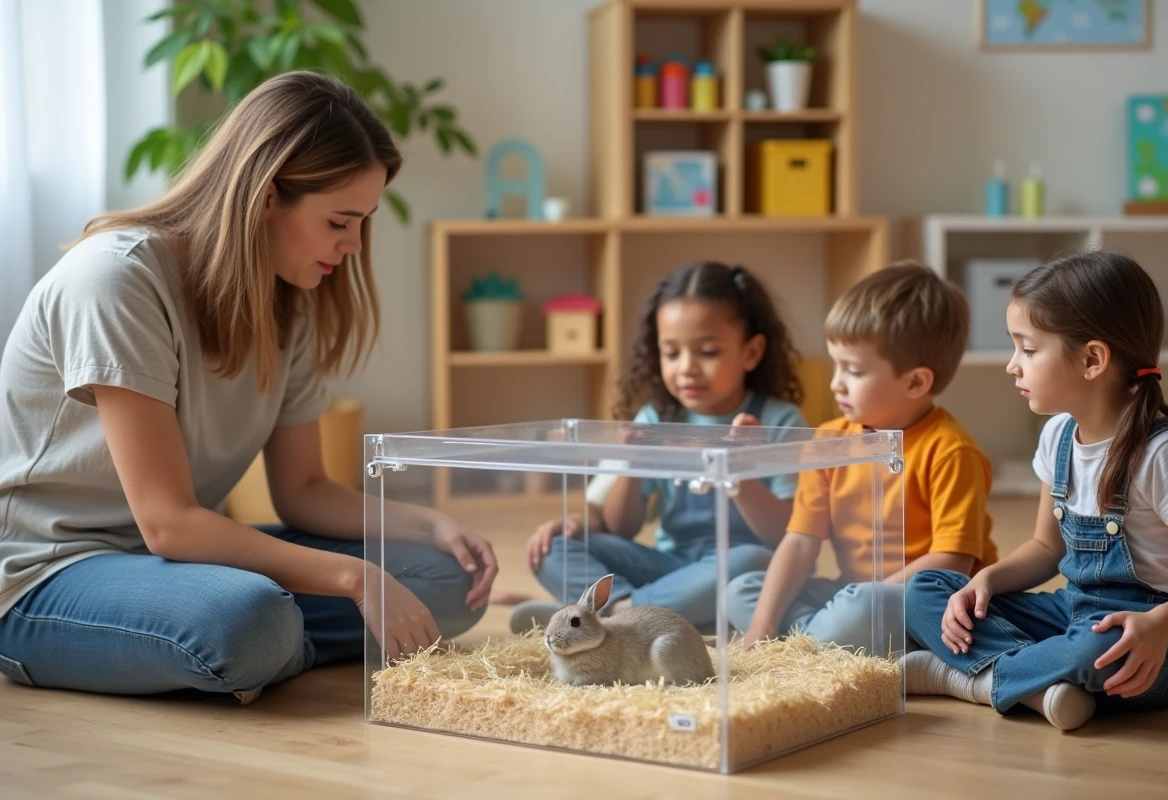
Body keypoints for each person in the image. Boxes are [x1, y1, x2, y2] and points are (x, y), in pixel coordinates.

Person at [0, 71, 496, 701]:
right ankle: (253, 646)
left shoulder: (288, 300)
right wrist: (356, 579)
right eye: (341, 220)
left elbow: (304, 490)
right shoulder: (115, 281)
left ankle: (251, 656)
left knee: (450, 577)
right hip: (48, 575)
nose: (352, 246)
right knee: (249, 620)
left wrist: (430, 524)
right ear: (265, 195)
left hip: (180, 567)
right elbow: (170, 524)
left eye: (363, 222)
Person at [903, 251, 1168, 730]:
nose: (1012, 366)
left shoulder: (1164, 454)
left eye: (1028, 348)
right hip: (1072, 611)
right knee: (924, 590)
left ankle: (971, 678)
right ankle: (1041, 686)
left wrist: (1158, 627)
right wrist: (986, 582)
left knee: (1093, 649)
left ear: (1092, 359)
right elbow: (1046, 547)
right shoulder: (1059, 435)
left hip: (1158, 641)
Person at [510, 261, 806, 633]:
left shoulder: (780, 422)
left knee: (752, 560)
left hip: (739, 573)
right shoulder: (655, 417)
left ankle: (612, 619)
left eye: (708, 352)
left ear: (751, 352)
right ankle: (629, 613)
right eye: (671, 353)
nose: (687, 368)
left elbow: (785, 535)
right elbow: (622, 528)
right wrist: (633, 466)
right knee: (553, 547)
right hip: (671, 568)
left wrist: (739, 473)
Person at [731, 262, 997, 655]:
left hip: (930, 604)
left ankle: (822, 641)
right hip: (852, 595)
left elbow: (953, 562)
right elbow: (801, 541)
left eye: (853, 370)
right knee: (742, 590)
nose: (835, 382)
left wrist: (869, 595)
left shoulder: (951, 451)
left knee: (858, 606)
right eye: (835, 364)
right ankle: (821, 641)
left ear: (915, 382)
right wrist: (762, 624)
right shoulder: (829, 440)